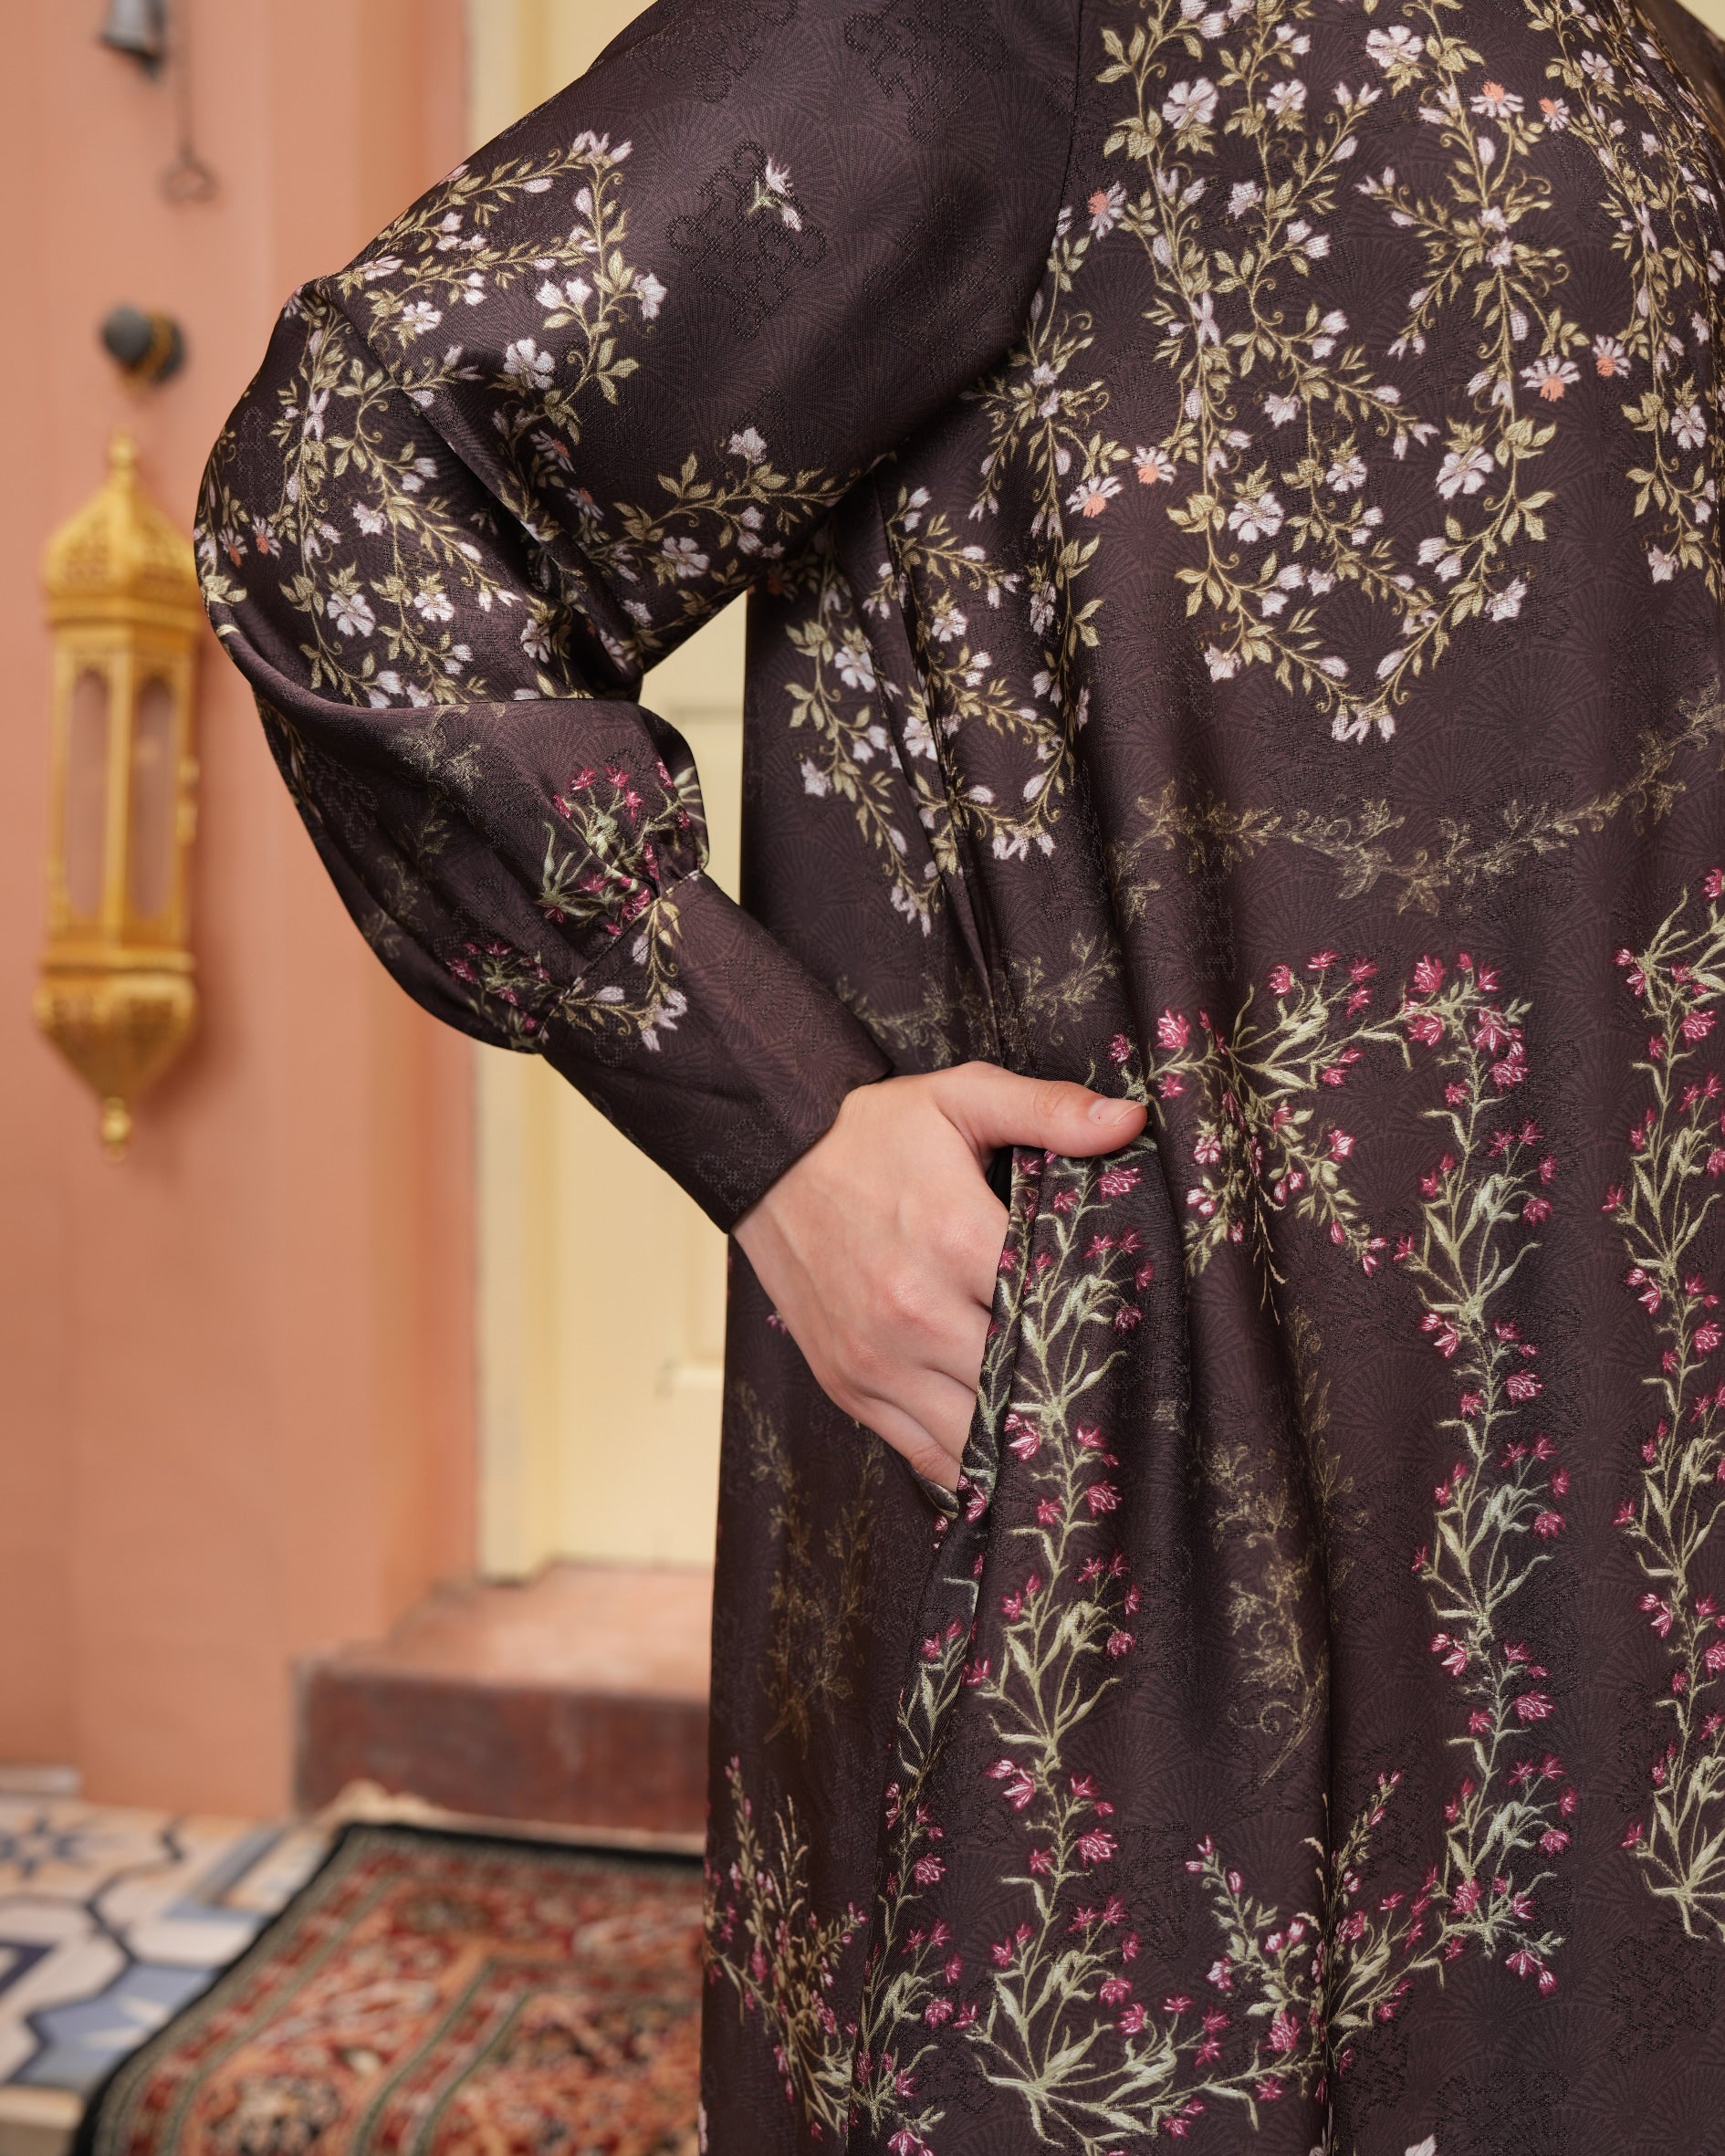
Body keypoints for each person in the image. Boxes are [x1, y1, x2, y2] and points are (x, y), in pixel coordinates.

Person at [199, 0, 1725, 2142]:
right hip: (1172, 1527)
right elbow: (344, 485)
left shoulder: (1657, 53)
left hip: (1627, 1519)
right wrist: (766, 1107)